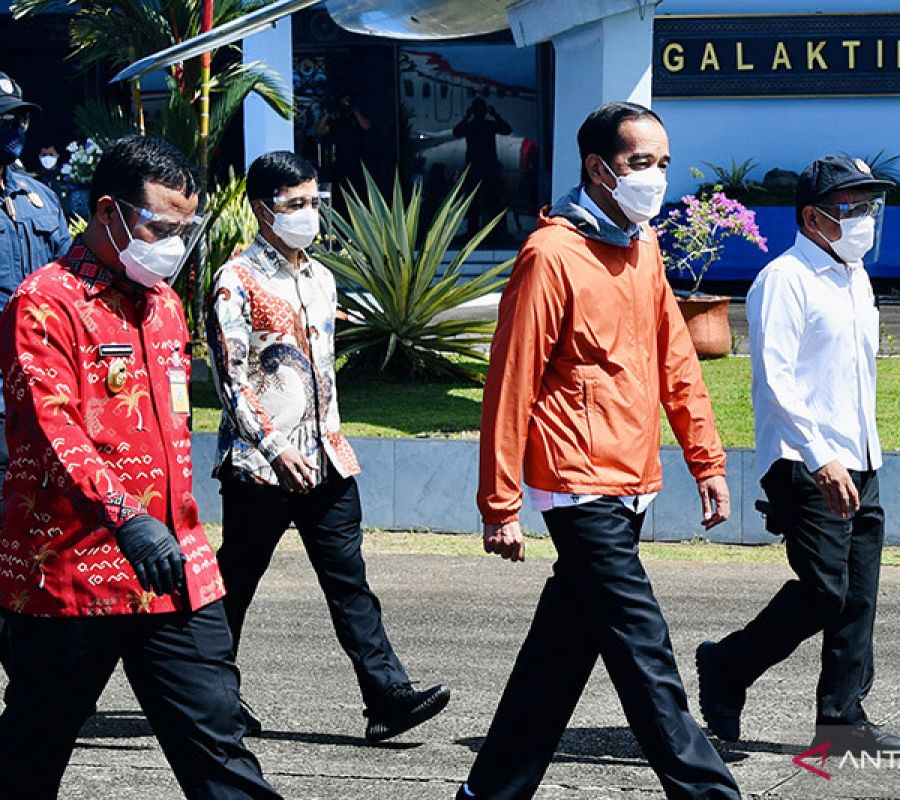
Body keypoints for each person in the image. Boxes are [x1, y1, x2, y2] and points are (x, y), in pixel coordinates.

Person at [459, 101, 741, 800]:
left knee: (556, 659)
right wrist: (500, 502)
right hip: (577, 486)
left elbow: (676, 360)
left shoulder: (641, 245)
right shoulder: (550, 255)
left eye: (663, 163)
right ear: (598, 168)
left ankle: (487, 793)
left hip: (630, 478)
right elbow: (511, 379)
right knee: (647, 656)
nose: (656, 177)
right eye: (641, 163)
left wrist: (705, 460)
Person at [0, 134, 280, 799]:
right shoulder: (45, 303)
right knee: (31, 751)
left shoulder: (163, 305)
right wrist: (127, 517)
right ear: (107, 212)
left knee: (219, 748)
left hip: (172, 568)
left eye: (187, 228)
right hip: (68, 571)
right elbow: (49, 426)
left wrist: (160, 531)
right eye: (160, 225)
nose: (174, 243)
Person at [206, 150, 450, 743]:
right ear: (263, 210)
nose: (309, 214)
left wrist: (319, 441)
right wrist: (271, 446)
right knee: (233, 586)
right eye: (295, 205)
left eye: (315, 202)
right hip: (260, 468)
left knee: (349, 583)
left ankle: (387, 697)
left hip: (327, 458)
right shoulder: (235, 281)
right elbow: (230, 378)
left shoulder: (320, 277)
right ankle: (211, 700)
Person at [694, 155, 900, 758]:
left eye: (871, 205)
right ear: (814, 217)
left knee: (857, 594)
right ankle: (727, 664)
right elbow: (776, 380)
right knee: (823, 590)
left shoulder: (854, 276)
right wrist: (820, 457)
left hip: (860, 457)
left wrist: (863, 452)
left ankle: (841, 718)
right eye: (853, 206)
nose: (867, 217)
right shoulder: (784, 279)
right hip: (804, 461)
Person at [0, 69, 70, 673]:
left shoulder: (40, 198)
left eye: (18, 117)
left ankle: (35, 670)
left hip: (39, 399)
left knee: (36, 536)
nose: (14, 128)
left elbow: (64, 287)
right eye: (4, 118)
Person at [452, 97, 512, 235]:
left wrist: (466, 117)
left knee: (474, 202)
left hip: (475, 168)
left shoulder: (470, 126)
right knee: (490, 201)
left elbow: (456, 132)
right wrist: (496, 115)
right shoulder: (489, 125)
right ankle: (492, 231)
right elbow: (507, 129)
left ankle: (472, 231)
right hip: (488, 168)